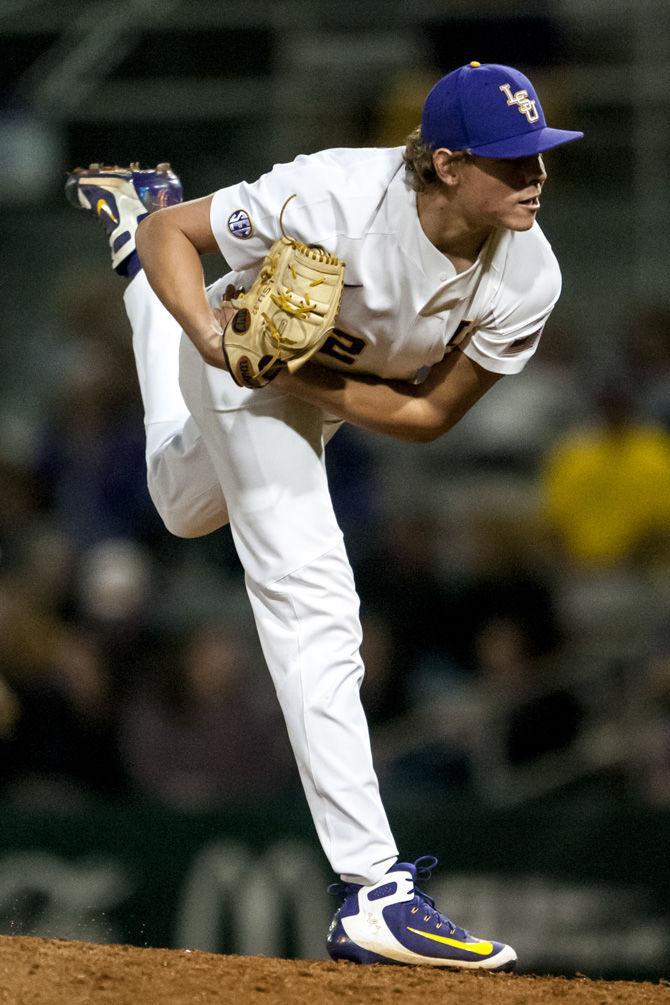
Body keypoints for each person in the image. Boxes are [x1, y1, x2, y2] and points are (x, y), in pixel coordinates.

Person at [66, 61, 582, 971]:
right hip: (234, 340)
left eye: (541, 153)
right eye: (514, 159)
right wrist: (219, 344)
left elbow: (425, 415)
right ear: (449, 164)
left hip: (314, 383)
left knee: (183, 506)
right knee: (315, 599)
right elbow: (172, 233)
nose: (537, 173)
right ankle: (374, 891)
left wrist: (289, 373)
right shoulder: (335, 194)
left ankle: (135, 282)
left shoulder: (529, 275)